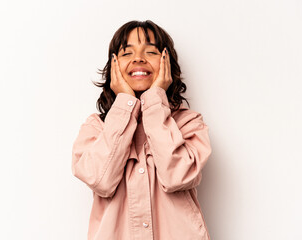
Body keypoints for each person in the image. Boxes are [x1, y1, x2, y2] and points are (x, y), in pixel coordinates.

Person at [72, 20, 212, 240]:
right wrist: (125, 102)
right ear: (113, 67)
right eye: (127, 53)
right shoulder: (96, 129)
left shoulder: (188, 125)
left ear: (167, 65)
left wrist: (155, 100)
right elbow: (101, 181)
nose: (138, 58)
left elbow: (177, 176)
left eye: (150, 51)